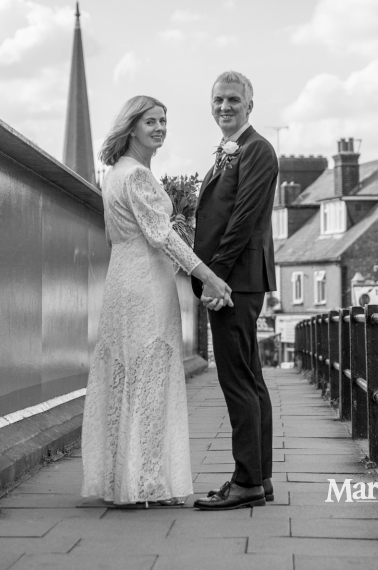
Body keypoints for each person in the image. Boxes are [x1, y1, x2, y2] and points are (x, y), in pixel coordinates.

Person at [81, 96, 233, 506]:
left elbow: (117, 234)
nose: (160, 127)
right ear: (131, 127)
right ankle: (144, 482)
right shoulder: (137, 176)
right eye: (151, 121)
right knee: (150, 380)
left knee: (126, 376)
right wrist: (208, 276)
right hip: (147, 283)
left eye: (164, 120)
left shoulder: (116, 173)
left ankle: (121, 479)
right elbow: (161, 235)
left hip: (121, 277)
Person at [192, 71, 279, 511]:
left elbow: (243, 220)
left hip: (235, 281)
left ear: (249, 105)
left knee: (237, 382)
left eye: (233, 100)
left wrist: (214, 278)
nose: (224, 107)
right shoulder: (231, 149)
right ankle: (259, 478)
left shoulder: (257, 149)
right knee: (250, 379)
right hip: (235, 280)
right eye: (218, 100)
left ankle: (246, 482)